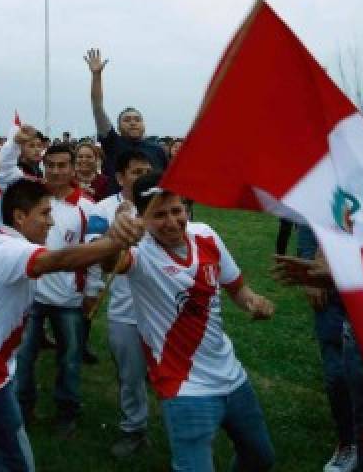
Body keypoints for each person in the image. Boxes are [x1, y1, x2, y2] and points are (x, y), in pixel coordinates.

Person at [0, 177, 145, 470]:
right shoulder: (8, 249)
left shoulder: (1, 240)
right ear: (19, 217)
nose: (51, 223)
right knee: (16, 459)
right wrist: (116, 241)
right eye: (44, 214)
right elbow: (60, 260)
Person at [115, 182, 276, 471]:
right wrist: (116, 235)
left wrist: (253, 302)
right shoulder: (139, 251)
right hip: (184, 386)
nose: (172, 222)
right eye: (159, 215)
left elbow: (238, 288)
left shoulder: (206, 235)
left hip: (232, 375)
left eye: (177, 211)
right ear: (143, 219)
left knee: (260, 457)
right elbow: (109, 261)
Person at [14, 142, 98, 435]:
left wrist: (92, 291)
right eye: (50, 165)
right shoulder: (31, 199)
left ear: (74, 168)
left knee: (70, 358)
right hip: (30, 294)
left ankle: (67, 411)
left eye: (63, 165)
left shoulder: (87, 207)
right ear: (43, 166)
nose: (56, 171)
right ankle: (22, 410)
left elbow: (94, 252)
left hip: (68, 297)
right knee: (23, 356)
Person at [85, 148, 156, 459]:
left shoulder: (160, 206)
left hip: (164, 307)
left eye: (147, 172)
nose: (142, 178)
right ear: (120, 177)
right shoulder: (102, 209)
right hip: (125, 309)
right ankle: (133, 428)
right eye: (136, 173)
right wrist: (116, 233)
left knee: (175, 370)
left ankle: (186, 422)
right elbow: (93, 251)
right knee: (130, 375)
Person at [84, 48, 169, 191]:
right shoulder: (112, 143)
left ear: (143, 125)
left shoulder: (157, 150)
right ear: (118, 127)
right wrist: (96, 76)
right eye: (127, 120)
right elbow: (97, 107)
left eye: (137, 119)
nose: (133, 122)